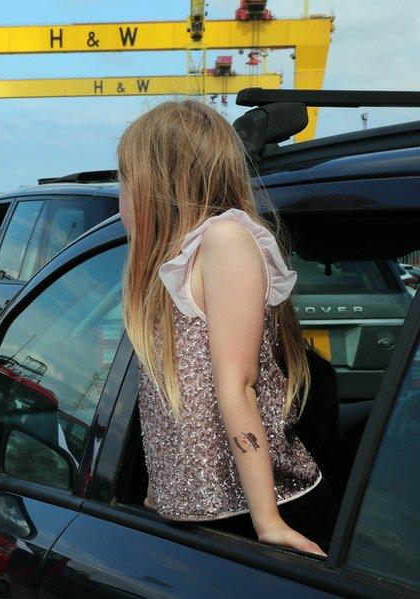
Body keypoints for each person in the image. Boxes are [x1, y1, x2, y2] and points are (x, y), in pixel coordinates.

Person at [117, 100, 336, 556]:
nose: (119, 193)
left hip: (263, 516)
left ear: (160, 182)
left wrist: (268, 522)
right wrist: (159, 494)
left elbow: (237, 384)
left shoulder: (224, 239)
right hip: (204, 524)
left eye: (124, 178)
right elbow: (167, 403)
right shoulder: (172, 268)